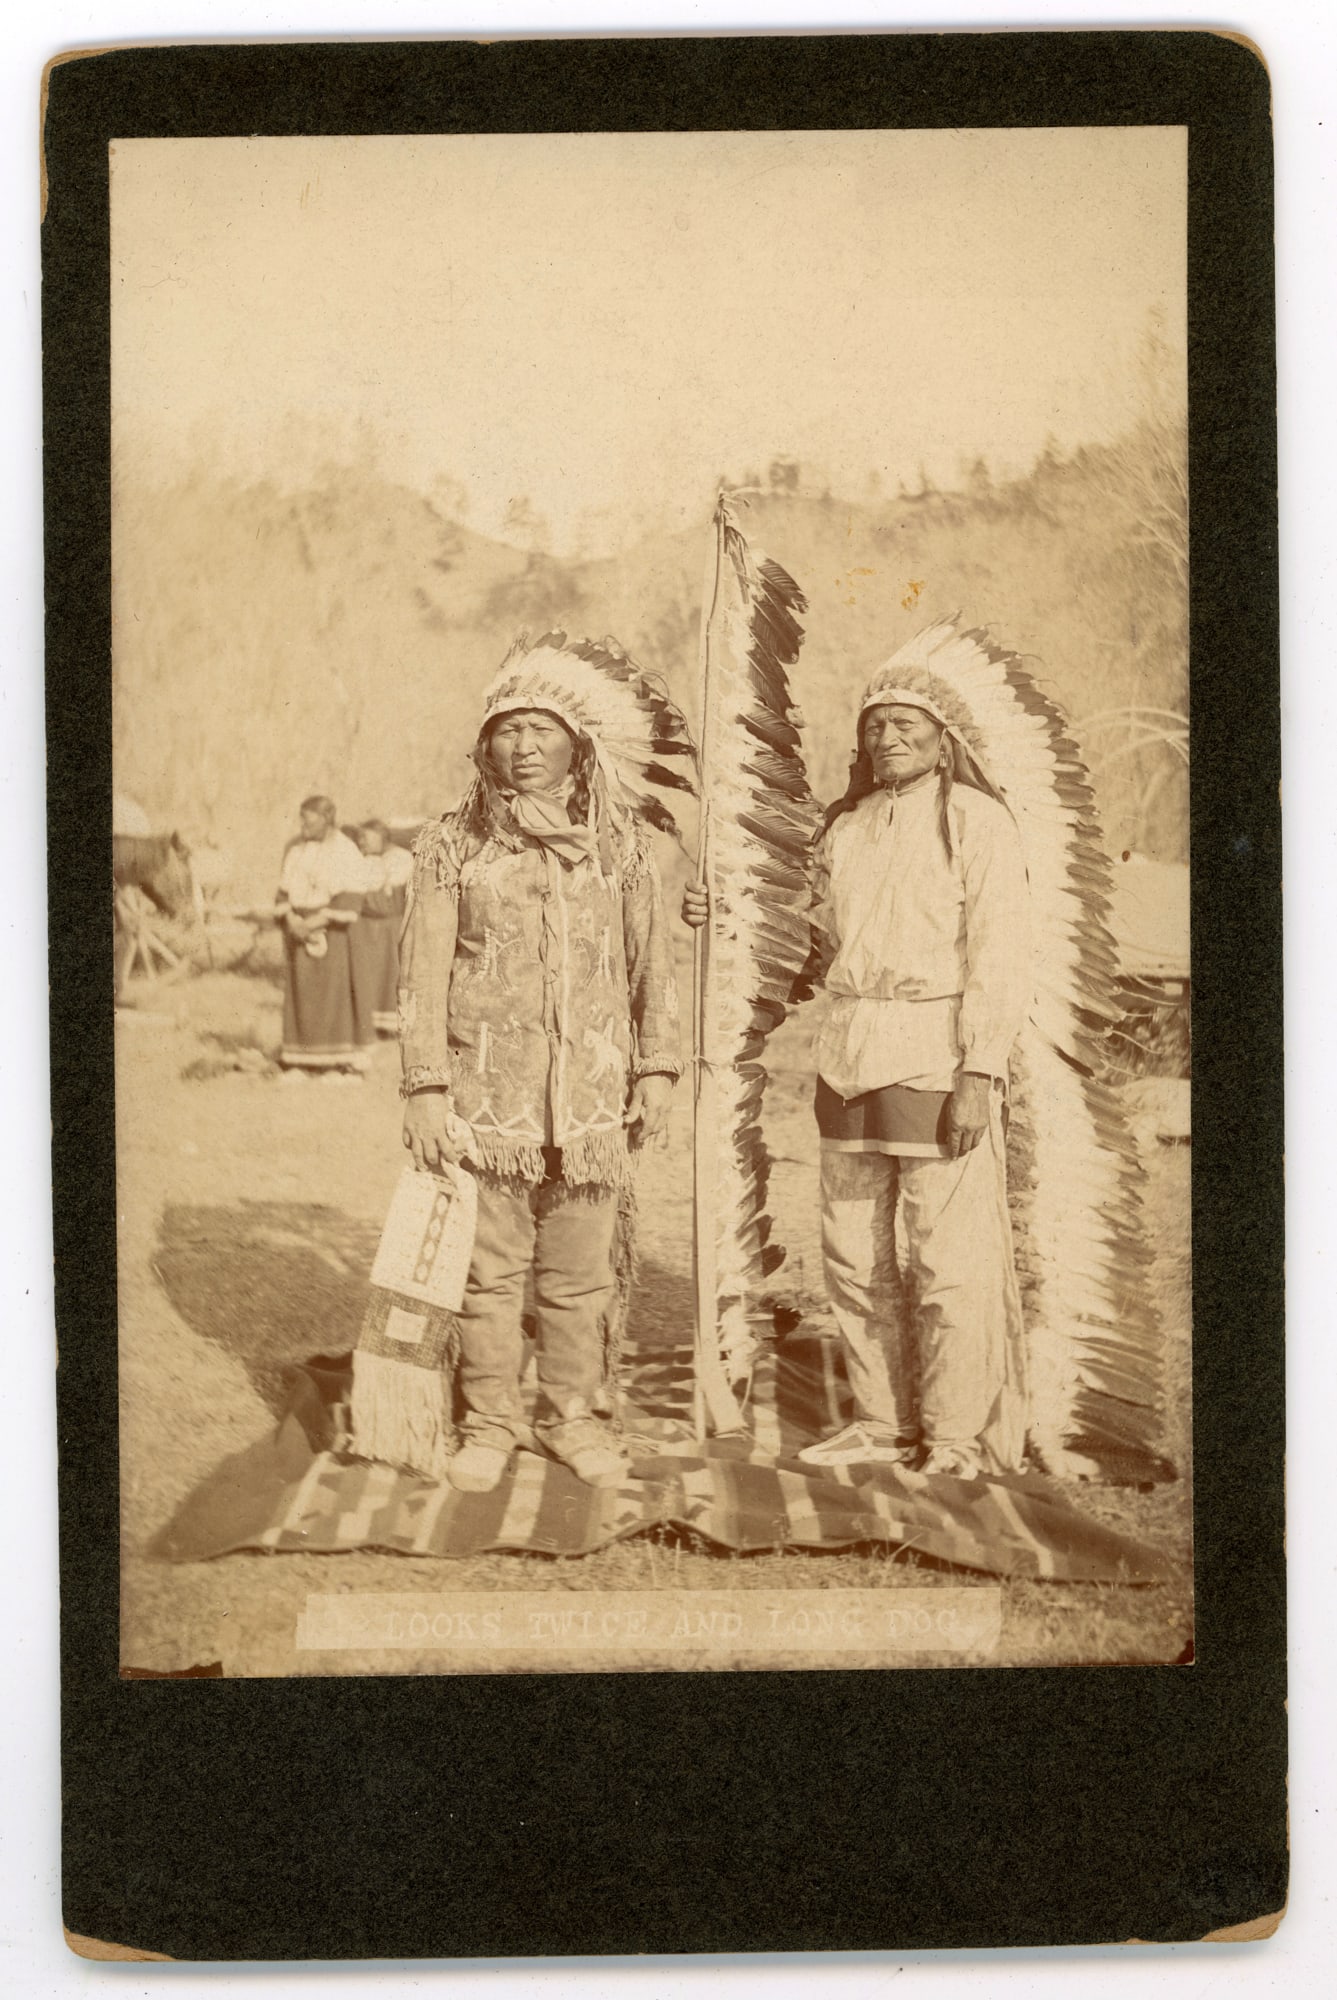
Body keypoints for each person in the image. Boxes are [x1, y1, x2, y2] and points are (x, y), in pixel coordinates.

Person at [684, 667, 1032, 1477]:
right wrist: (722, 917)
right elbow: (809, 944)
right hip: (845, 1055)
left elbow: (1003, 954)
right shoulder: (844, 828)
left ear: (944, 740)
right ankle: (881, 1421)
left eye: (907, 723)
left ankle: (951, 1436)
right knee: (850, 1253)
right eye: (876, 725)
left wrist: (979, 1071)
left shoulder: (974, 822)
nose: (888, 738)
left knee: (945, 1257)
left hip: (936, 1050)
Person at [399, 638, 683, 1493]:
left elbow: (650, 964)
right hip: (488, 1099)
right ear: (483, 747)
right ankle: (489, 1419)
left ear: (576, 746)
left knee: (579, 1277)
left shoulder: (620, 845)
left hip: (593, 1103)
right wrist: (424, 1090)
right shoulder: (452, 844)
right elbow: (420, 972)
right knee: (488, 1275)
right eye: (507, 730)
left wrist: (656, 1068)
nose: (523, 746)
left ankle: (571, 1417)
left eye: (540, 730)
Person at [275, 795, 366, 1078]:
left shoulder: (345, 850)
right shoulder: (296, 850)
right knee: (300, 993)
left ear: (326, 820)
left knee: (330, 995)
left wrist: (315, 922)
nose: (303, 826)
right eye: (301, 819)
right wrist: (291, 919)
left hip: (330, 930)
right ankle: (300, 1060)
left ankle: (334, 1063)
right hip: (297, 928)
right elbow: (282, 891)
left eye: (309, 820)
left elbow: (351, 896)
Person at [349, 819, 413, 1048]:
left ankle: (392, 1025)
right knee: (372, 975)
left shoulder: (401, 859)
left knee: (391, 973)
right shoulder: (370, 860)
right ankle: (372, 1023)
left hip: (391, 926)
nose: (361, 843)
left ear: (381, 836)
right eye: (359, 839)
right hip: (371, 927)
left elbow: (388, 899)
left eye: (366, 838)